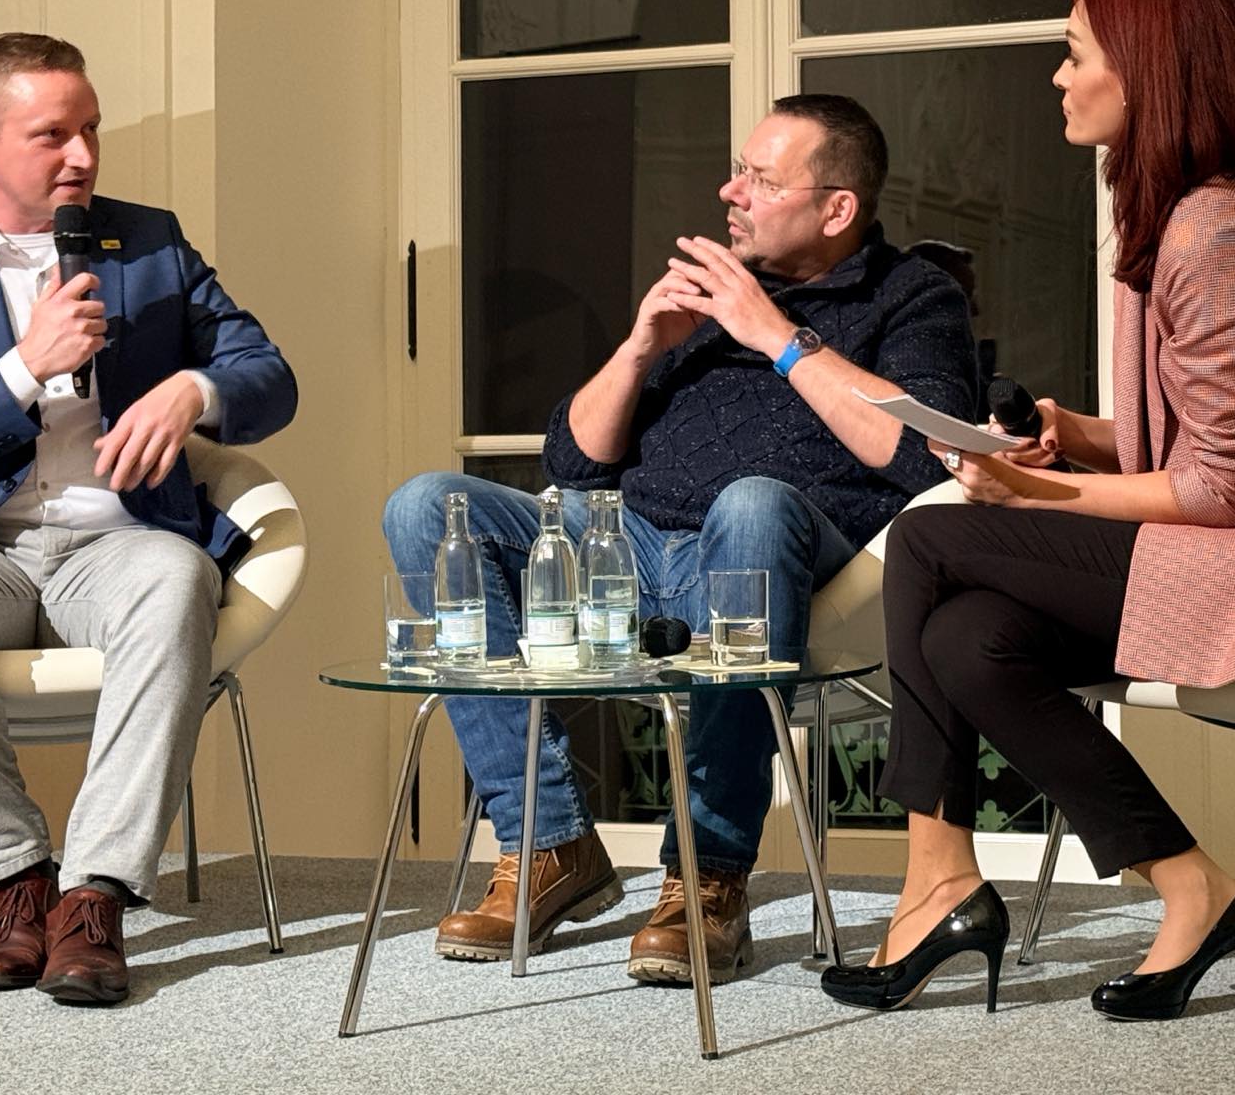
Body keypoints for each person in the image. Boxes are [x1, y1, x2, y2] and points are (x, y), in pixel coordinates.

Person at [820, 0, 1235, 1021]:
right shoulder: (1180, 209)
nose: (1056, 73)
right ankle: (1193, 887)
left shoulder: (1210, 225)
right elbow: (1212, 434)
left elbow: (1222, 486)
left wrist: (1031, 497)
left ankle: (934, 877)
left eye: (1072, 50)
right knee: (967, 638)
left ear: (1143, 68)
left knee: (931, 541)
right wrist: (1068, 433)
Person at [384, 94, 977, 985]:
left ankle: (706, 875)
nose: (728, 189)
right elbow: (572, 462)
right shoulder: (715, 293)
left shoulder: (911, 297)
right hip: (623, 543)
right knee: (425, 505)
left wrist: (775, 335)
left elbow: (928, 455)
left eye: (760, 179)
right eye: (738, 169)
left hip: (764, 559)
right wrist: (638, 348)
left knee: (752, 502)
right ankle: (547, 845)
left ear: (837, 208)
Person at [0, 33, 297, 1006]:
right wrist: (20, 368)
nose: (81, 155)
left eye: (90, 129)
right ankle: (17, 877)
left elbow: (269, 378)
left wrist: (192, 393)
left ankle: (93, 897)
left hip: (115, 543)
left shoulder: (149, 239)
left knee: (175, 577)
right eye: (52, 134)